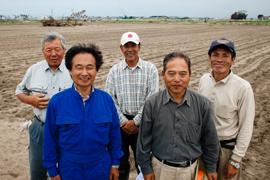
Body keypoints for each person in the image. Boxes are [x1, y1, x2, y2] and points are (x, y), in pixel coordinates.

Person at [43, 43, 123, 180]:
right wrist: (52, 171)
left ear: (96, 71)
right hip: (68, 168)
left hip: (100, 167)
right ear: (70, 70)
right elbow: (50, 139)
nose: (84, 73)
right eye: (78, 68)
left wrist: (115, 164)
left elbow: (114, 135)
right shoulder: (57, 102)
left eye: (90, 67)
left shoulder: (106, 100)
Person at [137, 52, 219, 180]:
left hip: (190, 171)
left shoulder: (202, 104)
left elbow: (210, 140)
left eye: (182, 74)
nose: (177, 79)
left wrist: (211, 167)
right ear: (163, 75)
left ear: (190, 75)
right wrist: (146, 169)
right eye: (171, 73)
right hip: (160, 170)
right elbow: (143, 141)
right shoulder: (152, 103)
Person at [15, 31, 73, 180]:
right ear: (43, 51)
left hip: (67, 130)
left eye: (57, 49)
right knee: (38, 171)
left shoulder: (73, 70)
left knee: (67, 170)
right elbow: (20, 91)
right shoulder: (34, 70)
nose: (53, 54)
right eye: (48, 50)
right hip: (40, 128)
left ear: (64, 50)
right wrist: (31, 100)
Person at [198, 38, 255, 180]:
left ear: (233, 60)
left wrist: (235, 160)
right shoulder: (204, 80)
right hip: (203, 149)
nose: (219, 59)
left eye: (225, 56)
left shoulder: (243, 88)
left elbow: (246, 127)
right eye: (215, 55)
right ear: (209, 58)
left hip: (225, 151)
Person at [105, 32, 159, 179]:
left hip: (143, 124)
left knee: (143, 161)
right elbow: (109, 99)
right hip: (119, 125)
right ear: (121, 48)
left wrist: (136, 122)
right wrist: (124, 122)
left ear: (139, 47)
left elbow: (151, 98)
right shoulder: (114, 71)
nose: (130, 49)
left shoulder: (151, 69)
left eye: (133, 45)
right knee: (120, 162)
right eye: (126, 46)